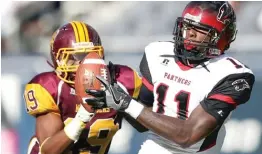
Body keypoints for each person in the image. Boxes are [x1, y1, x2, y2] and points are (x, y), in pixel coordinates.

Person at [86, 2, 255, 154]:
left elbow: (187, 136)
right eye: (187, 26)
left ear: (219, 37)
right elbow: (142, 123)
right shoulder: (157, 53)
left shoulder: (234, 75)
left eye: (200, 29)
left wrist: (127, 103)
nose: (189, 34)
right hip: (155, 147)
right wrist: (120, 94)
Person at [24, 21, 147, 154]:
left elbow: (144, 127)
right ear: (58, 59)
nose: (83, 64)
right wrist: (82, 118)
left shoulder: (121, 80)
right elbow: (47, 151)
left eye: (89, 55)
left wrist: (127, 106)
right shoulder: (51, 87)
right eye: (74, 57)